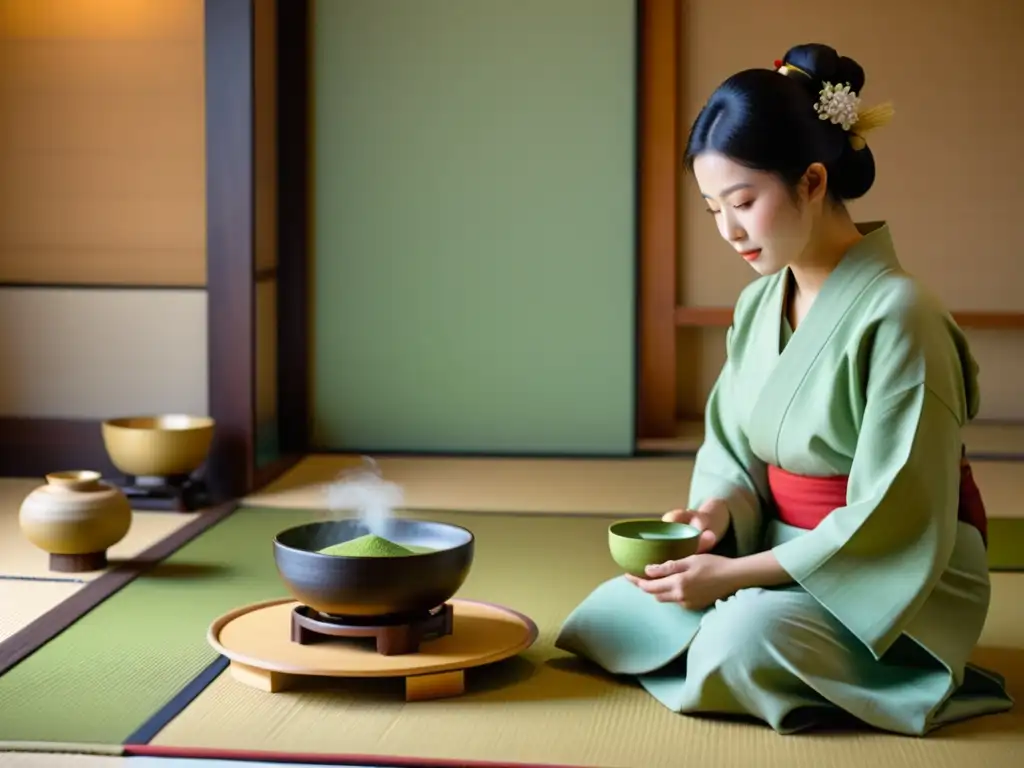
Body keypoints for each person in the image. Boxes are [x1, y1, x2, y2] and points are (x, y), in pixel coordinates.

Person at [555, 43, 1014, 735]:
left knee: (739, 638)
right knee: (616, 612)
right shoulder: (758, 305)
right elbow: (733, 449)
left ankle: (877, 663)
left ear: (811, 181)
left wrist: (735, 577)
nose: (729, 231)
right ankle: (740, 621)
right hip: (777, 546)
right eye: (713, 208)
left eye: (743, 202)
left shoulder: (902, 315)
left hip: (888, 573)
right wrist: (714, 517)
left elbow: (894, 514)